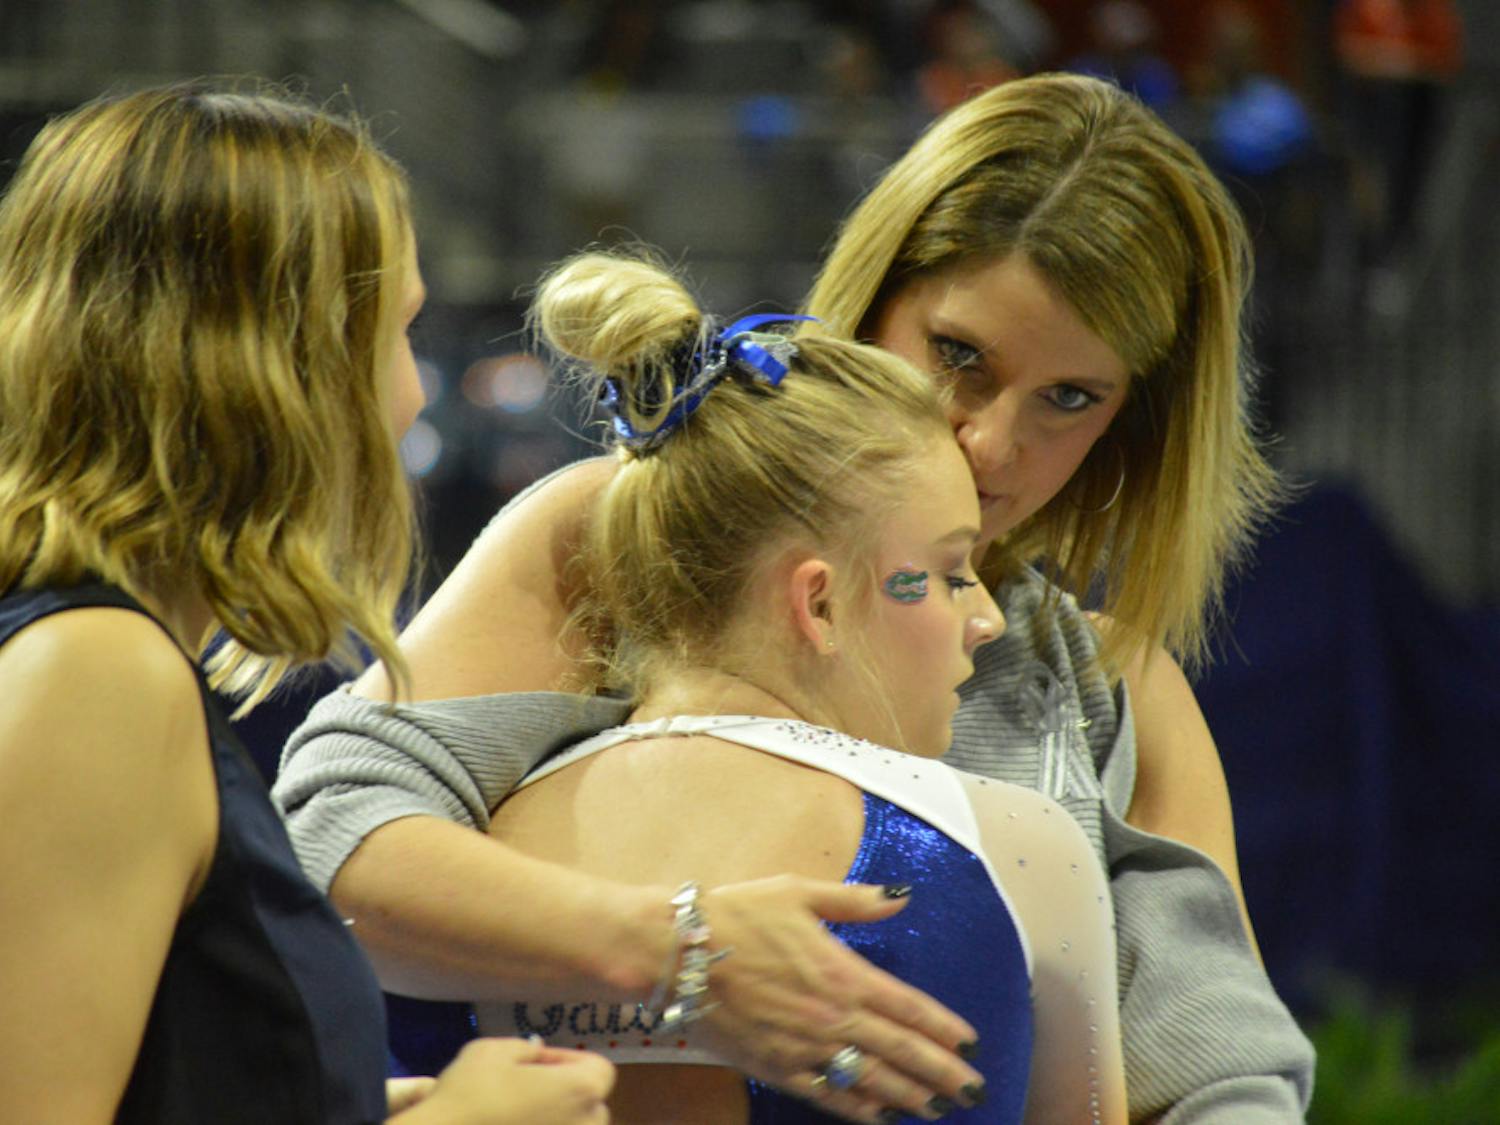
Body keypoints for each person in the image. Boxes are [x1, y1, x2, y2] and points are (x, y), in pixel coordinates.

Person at [274, 73, 1315, 1121]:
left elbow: (1224, 1079)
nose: (991, 442)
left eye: (1070, 399)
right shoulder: (618, 538)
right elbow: (328, 844)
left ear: (1131, 424)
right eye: (960, 356)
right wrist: (679, 958)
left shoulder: (1105, 684)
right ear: (875, 295)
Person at [0, 82, 614, 1124]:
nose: (412, 395)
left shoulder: (96, 654)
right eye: (394, 334)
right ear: (271, 368)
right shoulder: (95, 674)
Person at [461, 250, 1128, 1125]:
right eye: (949, 570)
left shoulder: (456, 861)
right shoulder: (1010, 850)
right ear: (818, 601)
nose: (986, 618)